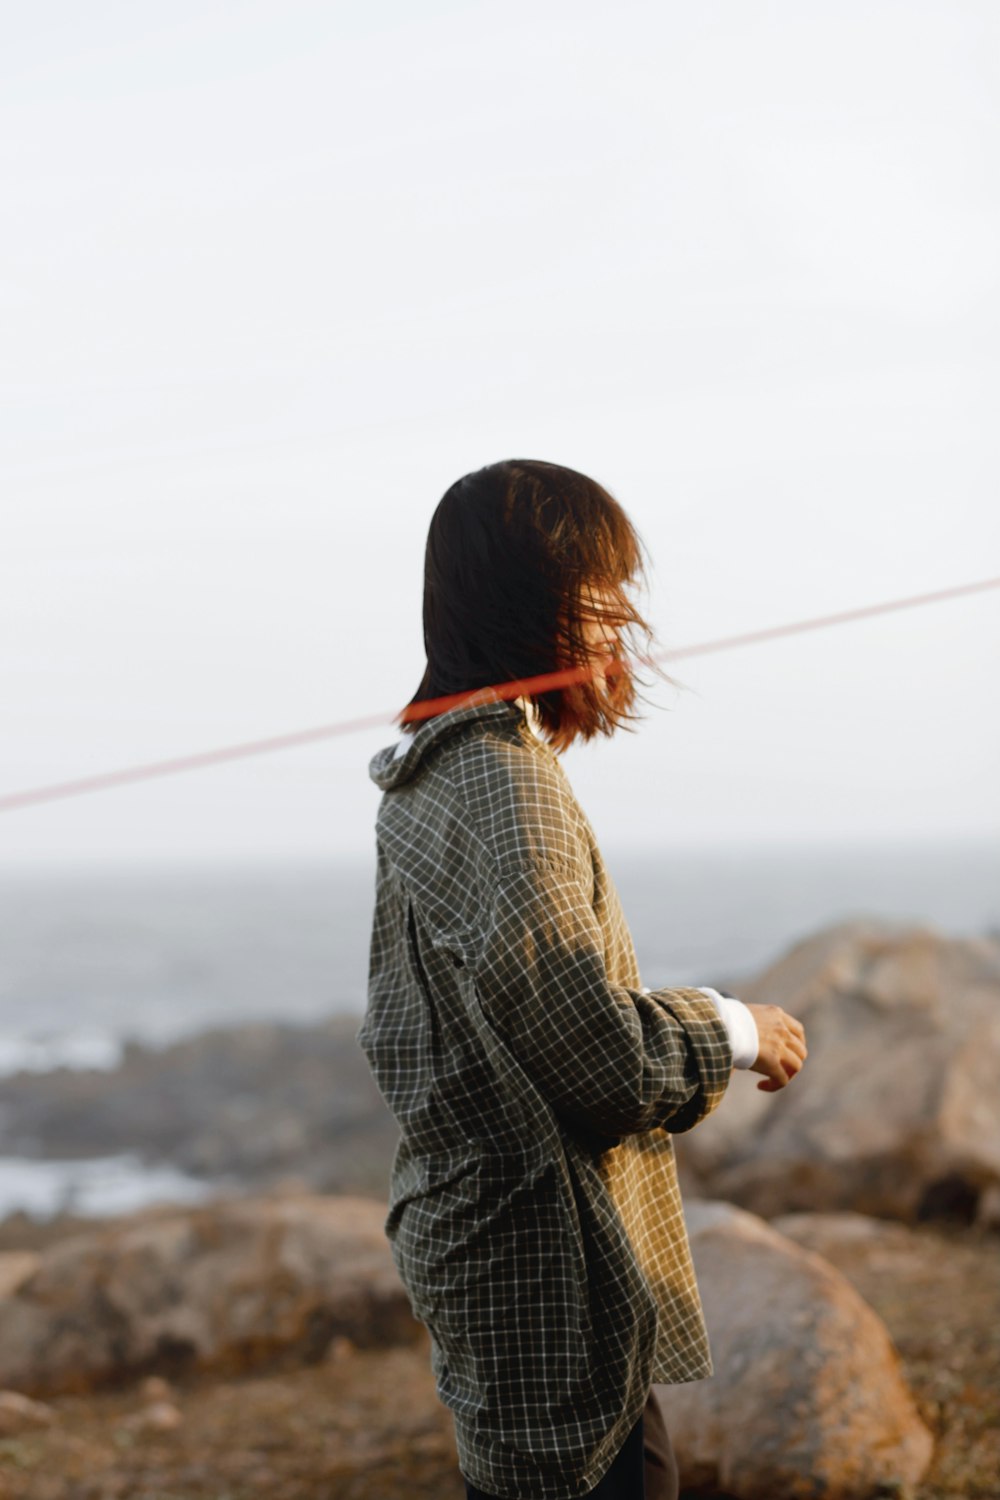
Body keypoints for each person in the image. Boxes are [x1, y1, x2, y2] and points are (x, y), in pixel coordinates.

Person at [357, 459, 808, 1499]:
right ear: (539, 608)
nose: (624, 622)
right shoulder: (504, 788)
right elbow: (595, 1061)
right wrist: (735, 1027)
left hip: (495, 1256)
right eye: (602, 593)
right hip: (545, 1278)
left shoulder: (431, 772)